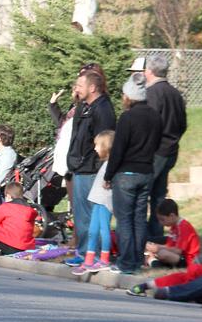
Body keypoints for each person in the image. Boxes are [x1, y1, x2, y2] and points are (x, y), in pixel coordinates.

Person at [104, 73, 161, 274]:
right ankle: (137, 261)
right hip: (146, 172)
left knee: (125, 219)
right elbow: (157, 144)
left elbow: (118, 149)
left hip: (126, 173)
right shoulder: (155, 116)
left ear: (129, 97)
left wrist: (108, 175)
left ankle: (126, 263)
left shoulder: (127, 118)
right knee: (139, 218)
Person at [137, 55, 188, 241]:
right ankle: (156, 235)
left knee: (143, 194)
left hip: (155, 152)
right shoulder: (175, 94)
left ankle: (141, 237)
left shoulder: (152, 93)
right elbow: (183, 124)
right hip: (170, 150)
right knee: (158, 195)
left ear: (149, 71)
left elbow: (149, 123)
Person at [67, 69, 116, 256]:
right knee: (82, 216)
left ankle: (90, 254)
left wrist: (95, 166)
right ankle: (84, 252)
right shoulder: (86, 106)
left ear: (93, 87)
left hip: (91, 170)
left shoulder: (102, 109)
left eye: (80, 86)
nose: (76, 89)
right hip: (80, 167)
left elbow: (104, 143)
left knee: (90, 216)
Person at [70, 130, 115, 275]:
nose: (94, 148)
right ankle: (89, 260)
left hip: (104, 202)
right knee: (93, 230)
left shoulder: (111, 165)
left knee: (103, 230)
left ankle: (104, 259)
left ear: (106, 146)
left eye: (97, 145)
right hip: (97, 200)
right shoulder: (105, 163)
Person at [143, 199, 200, 268]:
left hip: (188, 259)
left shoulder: (184, 227)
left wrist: (158, 248)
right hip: (177, 255)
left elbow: (178, 251)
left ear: (172, 216)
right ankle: (152, 260)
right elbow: (169, 245)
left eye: (162, 219)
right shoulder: (174, 226)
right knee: (152, 247)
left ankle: (154, 262)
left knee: (162, 254)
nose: (161, 223)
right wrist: (155, 248)